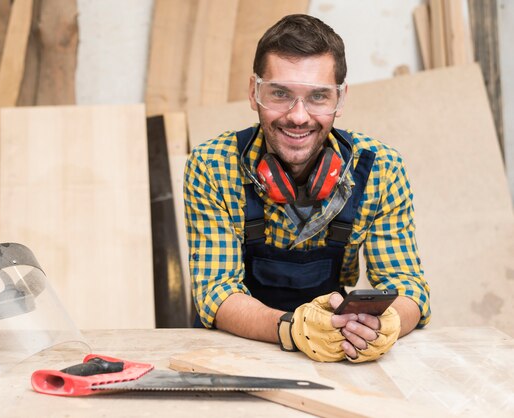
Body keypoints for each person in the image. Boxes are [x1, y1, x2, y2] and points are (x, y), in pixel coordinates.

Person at [183, 14, 430, 363]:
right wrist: (291, 328)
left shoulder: (380, 170)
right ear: (254, 92)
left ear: (340, 100)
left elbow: (409, 287)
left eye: (318, 96)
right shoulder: (212, 165)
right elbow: (215, 292)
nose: (298, 116)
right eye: (280, 94)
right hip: (231, 352)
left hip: (333, 350)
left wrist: (384, 325)